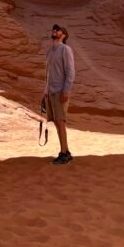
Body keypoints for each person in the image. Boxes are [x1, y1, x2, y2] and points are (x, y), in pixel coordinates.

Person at [44, 23, 75, 165]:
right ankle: (66, 151)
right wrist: (45, 92)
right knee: (57, 122)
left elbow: (70, 72)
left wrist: (66, 90)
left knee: (60, 122)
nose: (55, 31)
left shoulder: (65, 49)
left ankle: (63, 154)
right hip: (50, 92)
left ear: (64, 35)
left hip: (60, 91)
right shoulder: (50, 52)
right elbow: (48, 73)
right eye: (54, 29)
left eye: (58, 30)